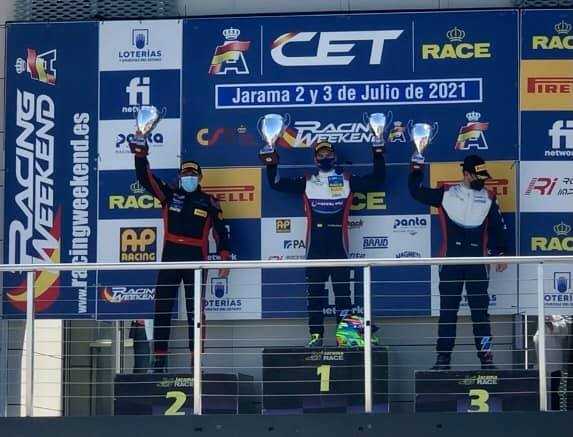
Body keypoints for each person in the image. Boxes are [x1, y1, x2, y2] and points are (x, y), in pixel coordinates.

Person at [266, 141, 386, 347]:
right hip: (315, 247)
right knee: (315, 295)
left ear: (335, 157)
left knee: (343, 295)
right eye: (320, 154)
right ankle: (316, 336)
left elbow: (376, 180)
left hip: (339, 245)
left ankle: (346, 338)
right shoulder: (307, 181)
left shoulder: (347, 179)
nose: (324, 157)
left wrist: (378, 154)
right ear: (315, 159)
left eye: (328, 153)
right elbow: (276, 184)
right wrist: (271, 162)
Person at [130, 135, 230, 373]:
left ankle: (196, 362)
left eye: (193, 174)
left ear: (200, 178)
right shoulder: (168, 194)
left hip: (196, 259)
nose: (189, 178)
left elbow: (221, 231)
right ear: (180, 177)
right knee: (162, 307)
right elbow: (145, 178)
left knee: (196, 312)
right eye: (185, 174)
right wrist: (140, 155)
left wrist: (224, 257)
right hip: (170, 256)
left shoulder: (209, 202)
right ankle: (159, 360)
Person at [408, 154, 508, 370]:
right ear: (466, 174)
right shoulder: (446, 193)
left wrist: (501, 252)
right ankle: (443, 360)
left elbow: (499, 228)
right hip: (450, 262)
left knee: (480, 314)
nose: (482, 180)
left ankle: (487, 360)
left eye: (484, 176)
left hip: (477, 264)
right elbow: (416, 192)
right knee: (447, 313)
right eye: (479, 176)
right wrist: (416, 168)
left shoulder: (489, 197)